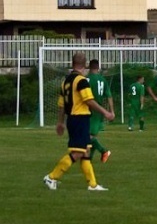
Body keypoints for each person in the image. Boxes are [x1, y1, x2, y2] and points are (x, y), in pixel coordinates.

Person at [43, 52, 115, 191]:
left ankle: (92, 184)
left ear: (72, 63)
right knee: (77, 153)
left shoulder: (66, 81)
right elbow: (88, 100)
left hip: (72, 119)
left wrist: (60, 122)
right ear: (85, 65)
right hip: (79, 119)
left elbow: (61, 104)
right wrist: (105, 112)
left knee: (85, 152)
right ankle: (51, 177)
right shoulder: (82, 81)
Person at [86, 59, 113, 163]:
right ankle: (89, 159)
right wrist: (112, 111)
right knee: (93, 136)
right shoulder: (103, 79)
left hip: (90, 110)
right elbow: (109, 96)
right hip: (100, 111)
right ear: (98, 67)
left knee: (87, 136)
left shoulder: (87, 79)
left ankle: (104, 151)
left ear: (89, 67)